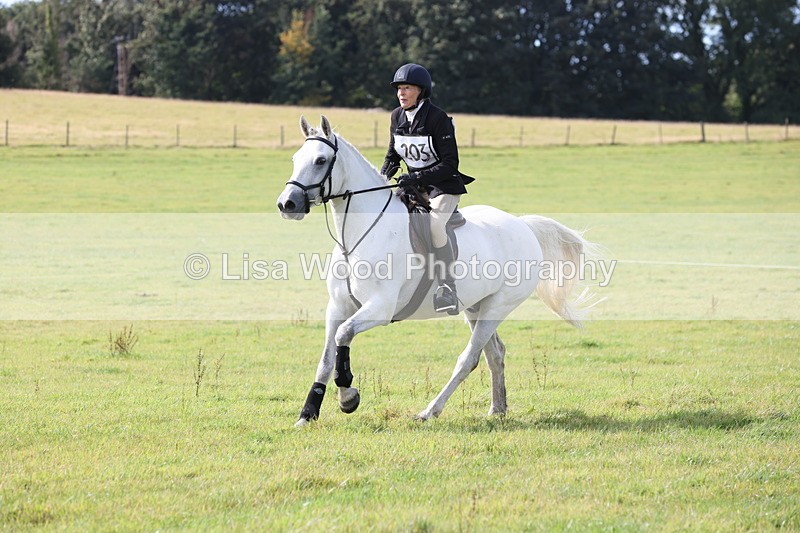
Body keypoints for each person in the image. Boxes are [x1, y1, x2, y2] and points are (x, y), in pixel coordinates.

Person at [380, 63, 474, 315]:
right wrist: (381, 179)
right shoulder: (396, 117)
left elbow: (450, 163)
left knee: (434, 225)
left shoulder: (437, 119)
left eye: (407, 88)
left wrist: (417, 176)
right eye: (399, 88)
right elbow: (392, 157)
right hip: (413, 186)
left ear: (421, 91)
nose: (401, 93)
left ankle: (447, 286)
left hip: (443, 186)